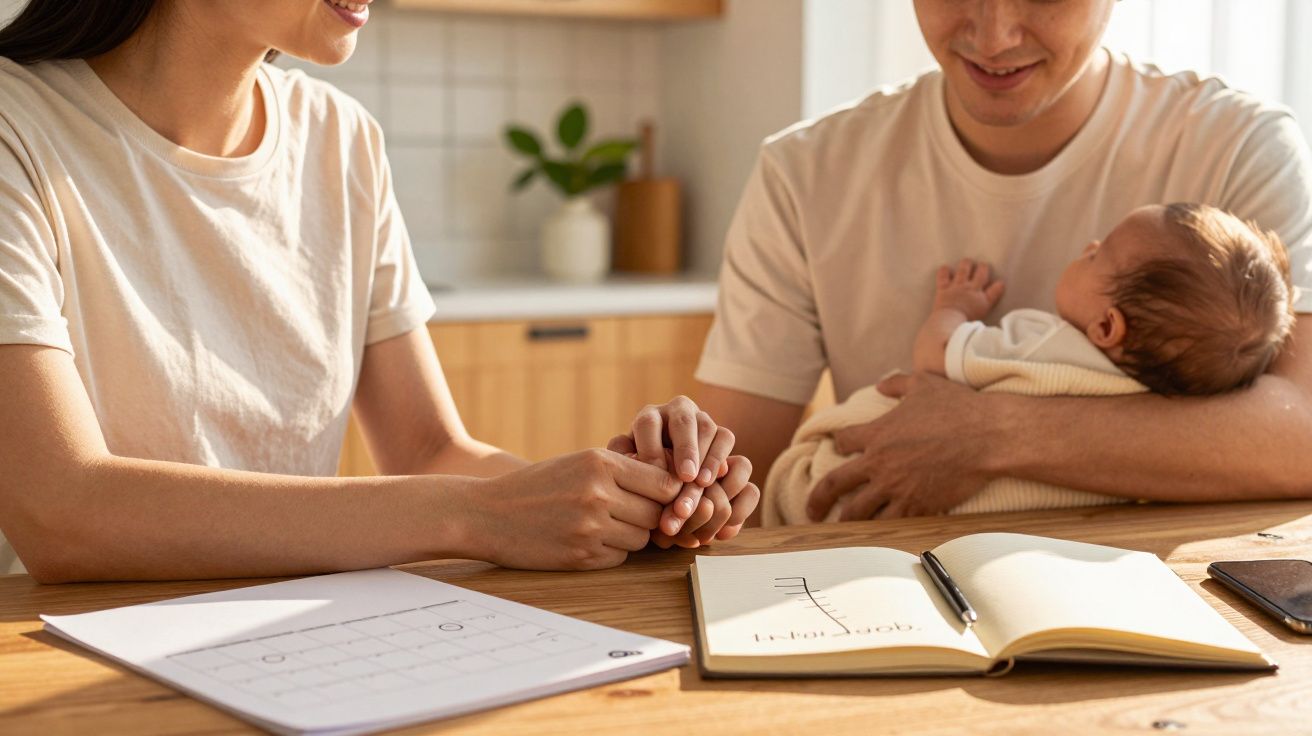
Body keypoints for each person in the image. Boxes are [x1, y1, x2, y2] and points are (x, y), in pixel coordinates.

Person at [0, 0, 758, 582]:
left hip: (290, 638)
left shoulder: (341, 137)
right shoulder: (18, 127)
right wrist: (477, 516)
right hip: (69, 656)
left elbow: (430, 450)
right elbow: (61, 511)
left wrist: (623, 500)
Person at [695, 0, 1312, 524]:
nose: (994, 38)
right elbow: (723, 482)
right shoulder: (804, 172)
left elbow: (1301, 434)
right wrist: (658, 488)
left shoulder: (1236, 148)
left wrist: (990, 435)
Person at [763, 203, 1295, 525]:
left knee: (800, 482)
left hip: (861, 488)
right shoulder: (1170, 404)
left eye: (1098, 253)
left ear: (1107, 327)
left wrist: (954, 308)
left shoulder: (1041, 343)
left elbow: (935, 355)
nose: (1088, 244)